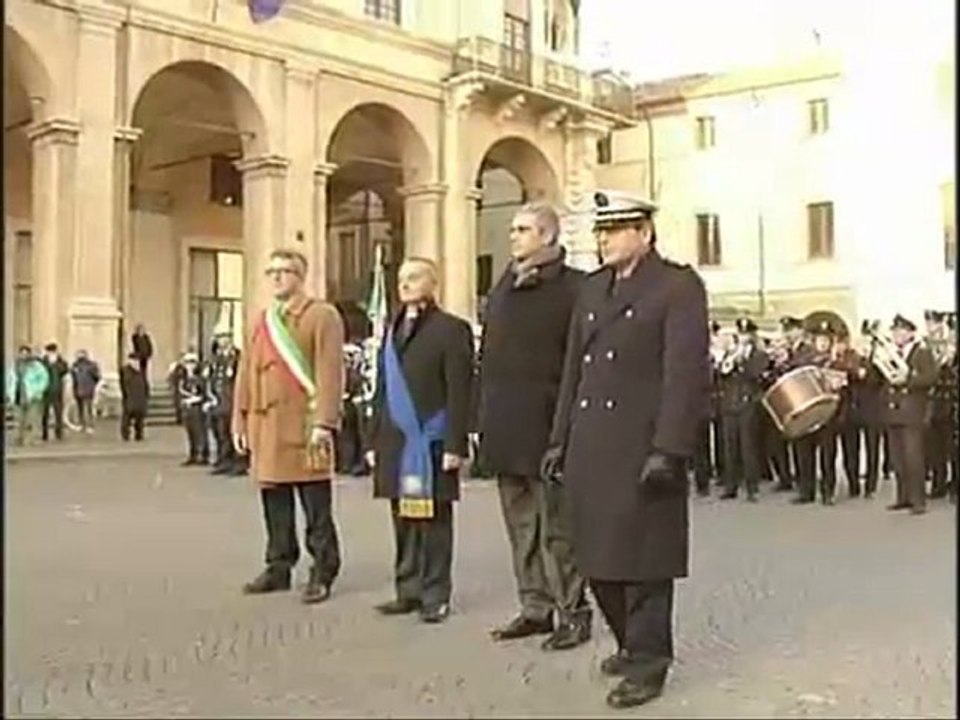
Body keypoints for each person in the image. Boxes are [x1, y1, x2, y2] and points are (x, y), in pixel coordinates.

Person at [543, 190, 710, 709]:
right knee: (595, 555)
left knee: (643, 561)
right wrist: (558, 438)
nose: (604, 240)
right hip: (592, 442)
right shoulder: (593, 290)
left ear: (644, 232)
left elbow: (684, 374)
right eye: (599, 232)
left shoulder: (677, 286)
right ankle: (627, 641)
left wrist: (670, 448)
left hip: (643, 443)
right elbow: (574, 368)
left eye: (614, 230)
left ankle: (648, 659)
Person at [478, 202, 591, 650]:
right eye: (512, 229)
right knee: (521, 529)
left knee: (557, 532)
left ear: (547, 236)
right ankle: (535, 607)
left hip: (550, 428)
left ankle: (573, 612)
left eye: (523, 229)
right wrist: (481, 422)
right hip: (507, 428)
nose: (513, 236)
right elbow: (488, 360)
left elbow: (578, 362)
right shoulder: (505, 285)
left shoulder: (575, 288)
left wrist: (568, 430)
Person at [233, 248, 345, 604]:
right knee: (274, 500)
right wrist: (240, 418)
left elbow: (330, 372)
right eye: (272, 271)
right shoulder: (260, 320)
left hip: (305, 424)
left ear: (300, 276)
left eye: (285, 271)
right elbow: (245, 374)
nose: (277, 277)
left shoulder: (321, 315)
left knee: (315, 505)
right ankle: (278, 565)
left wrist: (325, 421)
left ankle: (323, 569)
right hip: (266, 425)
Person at [366, 257, 473, 624]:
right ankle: (407, 589)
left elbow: (461, 390)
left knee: (435, 522)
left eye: (414, 278)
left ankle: (435, 593)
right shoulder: (392, 329)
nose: (405, 285)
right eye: (401, 279)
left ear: (433, 282)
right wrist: (372, 440)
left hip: (432, 441)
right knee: (403, 518)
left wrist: (456, 445)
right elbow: (381, 389)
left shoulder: (451, 329)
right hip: (396, 441)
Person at [883, 314, 938, 515]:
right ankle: (902, 497)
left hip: (912, 410)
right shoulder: (889, 353)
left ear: (910, 333)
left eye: (901, 331)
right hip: (893, 410)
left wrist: (907, 379)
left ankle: (918, 500)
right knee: (898, 458)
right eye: (895, 331)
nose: (897, 334)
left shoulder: (921, 352)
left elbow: (931, 378)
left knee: (913, 457)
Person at [718, 318, 769, 502]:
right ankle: (730, 486)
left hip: (748, 403)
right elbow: (721, 374)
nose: (744, 337)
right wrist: (730, 359)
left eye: (747, 334)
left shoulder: (760, 355)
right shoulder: (730, 353)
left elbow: (756, 375)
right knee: (730, 447)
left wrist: (742, 361)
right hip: (730, 404)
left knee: (748, 447)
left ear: (753, 336)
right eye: (741, 334)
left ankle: (751, 486)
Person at [207, 328, 242, 475]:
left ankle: (238, 463)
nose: (221, 341)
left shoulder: (236, 358)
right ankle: (224, 460)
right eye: (219, 338)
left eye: (224, 338)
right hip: (220, 402)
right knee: (221, 434)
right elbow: (214, 380)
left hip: (232, 401)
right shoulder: (218, 359)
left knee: (232, 433)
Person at [6, 346, 50, 446]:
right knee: (19, 419)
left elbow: (44, 379)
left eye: (26, 353)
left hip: (32, 396)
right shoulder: (14, 366)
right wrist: (9, 393)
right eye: (22, 353)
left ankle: (29, 440)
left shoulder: (36, 366)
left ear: (30, 354)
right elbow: (9, 380)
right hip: (18, 396)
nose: (24, 355)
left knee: (31, 420)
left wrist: (37, 391)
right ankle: (19, 438)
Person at [178, 353, 212, 465]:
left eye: (192, 363)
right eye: (187, 363)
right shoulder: (183, 379)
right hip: (187, 409)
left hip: (197, 408)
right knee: (190, 432)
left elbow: (204, 394)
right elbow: (179, 392)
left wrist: (194, 399)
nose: (189, 366)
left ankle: (203, 455)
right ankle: (192, 454)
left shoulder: (200, 379)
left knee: (200, 432)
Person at [41, 342, 69, 442]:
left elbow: (65, 370)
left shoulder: (61, 361)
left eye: (53, 351)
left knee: (58, 413)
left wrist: (56, 364)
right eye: (49, 351)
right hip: (45, 390)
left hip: (58, 390)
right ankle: (44, 433)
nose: (51, 353)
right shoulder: (43, 361)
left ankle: (59, 433)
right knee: (45, 413)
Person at [69, 349, 101, 433]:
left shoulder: (91, 366)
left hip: (87, 389)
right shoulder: (75, 366)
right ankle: (82, 424)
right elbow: (73, 377)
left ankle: (89, 425)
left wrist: (92, 385)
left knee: (88, 408)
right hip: (79, 389)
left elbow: (97, 377)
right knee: (81, 409)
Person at [119, 352, 149, 441]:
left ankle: (139, 434)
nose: (136, 363)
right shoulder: (125, 371)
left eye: (137, 361)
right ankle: (125, 435)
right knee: (127, 418)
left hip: (140, 398)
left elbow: (145, 384)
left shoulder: (141, 372)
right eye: (134, 361)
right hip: (130, 398)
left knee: (139, 419)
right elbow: (123, 385)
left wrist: (146, 395)